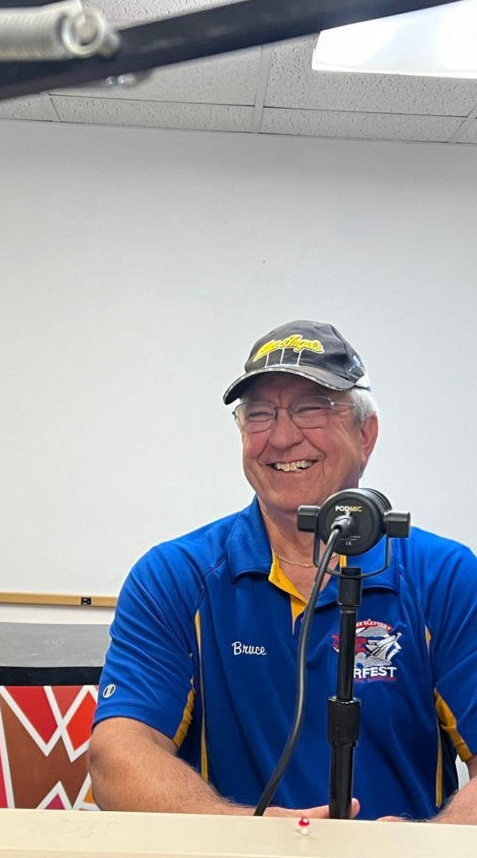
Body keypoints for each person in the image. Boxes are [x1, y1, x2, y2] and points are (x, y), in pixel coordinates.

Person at [89, 320, 477, 823]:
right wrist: (249, 833)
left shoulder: (445, 577)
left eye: (312, 408)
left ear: (366, 434)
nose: (281, 437)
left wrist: (422, 848)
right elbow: (116, 758)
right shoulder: (174, 577)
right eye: (259, 414)